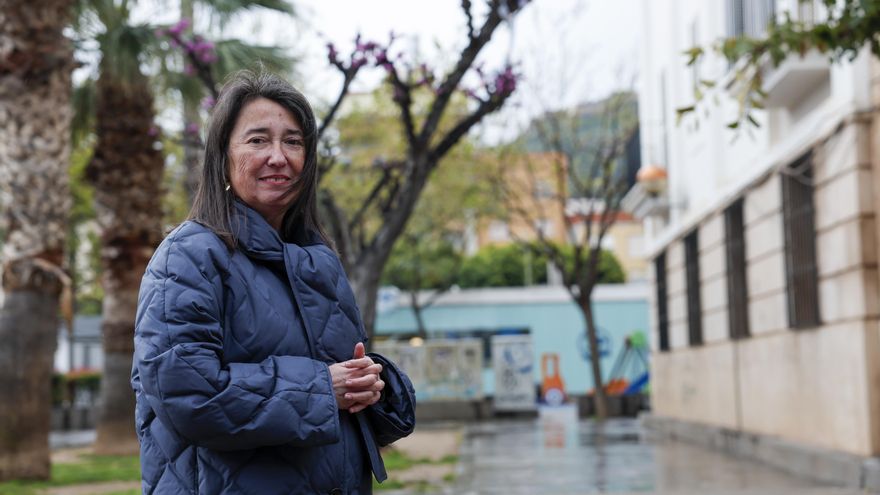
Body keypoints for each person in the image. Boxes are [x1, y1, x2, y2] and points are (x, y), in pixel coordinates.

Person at [131, 70, 416, 495]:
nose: (279, 157)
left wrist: (372, 383)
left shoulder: (318, 260)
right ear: (223, 156)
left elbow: (335, 389)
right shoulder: (188, 257)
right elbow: (188, 396)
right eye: (258, 140)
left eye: (293, 142)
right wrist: (323, 388)